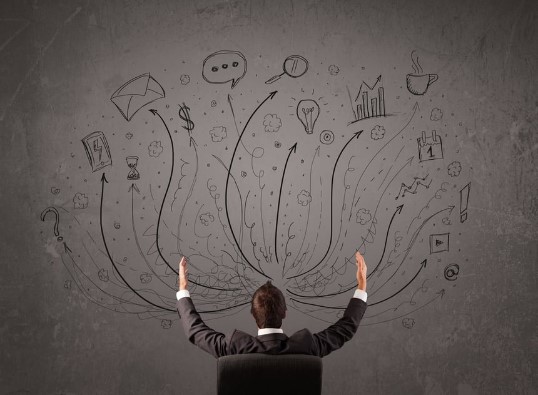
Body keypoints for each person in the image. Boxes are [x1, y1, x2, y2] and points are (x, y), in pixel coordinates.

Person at [176, 251, 368, 358]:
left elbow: (195, 331)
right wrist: (361, 286)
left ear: (253, 314)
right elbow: (345, 328)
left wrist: (183, 287)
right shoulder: (307, 345)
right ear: (284, 312)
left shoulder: (234, 346)